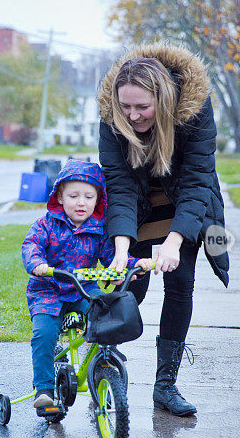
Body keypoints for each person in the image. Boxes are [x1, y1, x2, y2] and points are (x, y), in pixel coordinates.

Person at [97, 43, 230, 417]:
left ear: (164, 98)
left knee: (180, 281)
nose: (133, 115)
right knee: (128, 285)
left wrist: (174, 242)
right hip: (137, 203)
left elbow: (198, 180)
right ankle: (106, 366)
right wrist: (121, 247)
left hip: (184, 201)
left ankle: (165, 386)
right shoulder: (111, 116)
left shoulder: (196, 109)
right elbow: (119, 183)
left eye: (142, 107)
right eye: (126, 107)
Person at [22, 160, 154, 408]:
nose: (81, 203)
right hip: (48, 291)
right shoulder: (46, 225)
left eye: (88, 197)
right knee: (45, 333)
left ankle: (104, 360)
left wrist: (134, 265)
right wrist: (37, 263)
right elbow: (31, 246)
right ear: (60, 197)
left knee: (106, 313)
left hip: (81, 288)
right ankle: (44, 389)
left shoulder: (99, 230)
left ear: (97, 200)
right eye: (73, 196)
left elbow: (110, 258)